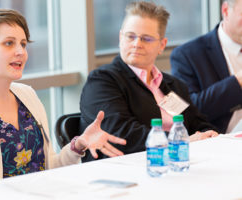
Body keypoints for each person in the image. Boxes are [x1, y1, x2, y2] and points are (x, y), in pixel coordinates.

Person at [0, 8, 126, 188]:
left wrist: (78, 145)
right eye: (9, 43)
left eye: (23, 44)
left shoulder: (27, 95)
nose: (21, 51)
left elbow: (49, 168)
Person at [79, 1, 218, 162]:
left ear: (162, 45)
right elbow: (122, 134)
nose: (137, 44)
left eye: (146, 39)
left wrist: (209, 135)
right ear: (120, 38)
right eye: (130, 36)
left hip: (180, 164)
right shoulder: (102, 81)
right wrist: (181, 142)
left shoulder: (174, 86)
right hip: (127, 169)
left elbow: (198, 124)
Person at [170, 0, 242, 133]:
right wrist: (237, 81)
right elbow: (189, 111)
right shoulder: (186, 55)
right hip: (219, 142)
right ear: (225, 11)